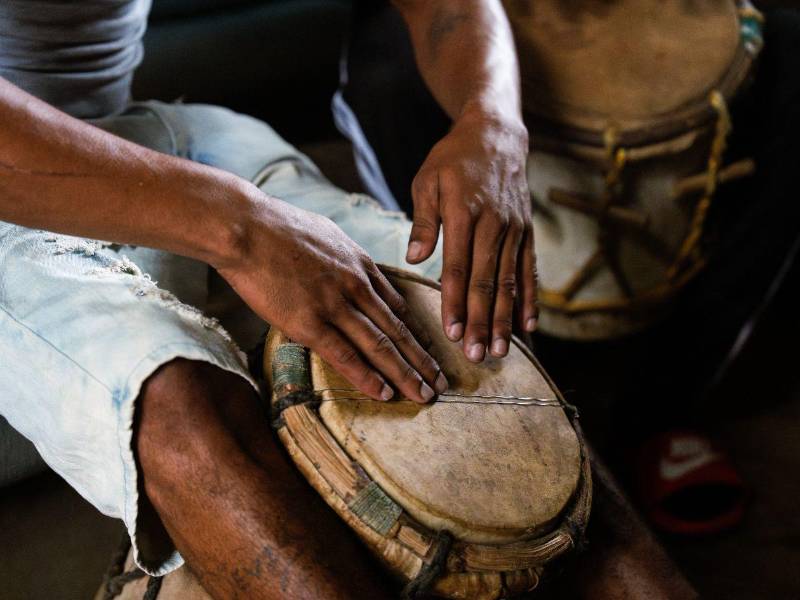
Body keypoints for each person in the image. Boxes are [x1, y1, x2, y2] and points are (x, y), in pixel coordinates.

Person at [0, 1, 538, 597]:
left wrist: (492, 122)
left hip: (130, 131)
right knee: (170, 396)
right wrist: (242, 231)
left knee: (462, 307)